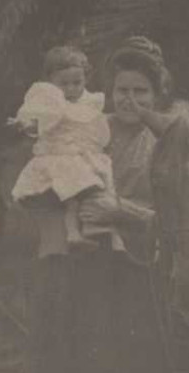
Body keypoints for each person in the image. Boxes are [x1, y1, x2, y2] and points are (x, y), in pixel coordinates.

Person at [2, 36, 189, 373]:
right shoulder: (95, 129)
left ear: (157, 95)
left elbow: (184, 222)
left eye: (140, 92)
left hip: (143, 279)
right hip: (92, 278)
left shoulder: (169, 143)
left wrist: (120, 213)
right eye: (121, 90)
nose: (128, 101)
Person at [10, 45, 115, 249]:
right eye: (63, 84)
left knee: (96, 186)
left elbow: (95, 127)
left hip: (82, 155)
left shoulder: (88, 102)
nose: (71, 89)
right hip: (59, 157)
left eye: (77, 83)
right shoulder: (50, 102)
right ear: (51, 82)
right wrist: (26, 124)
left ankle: (89, 227)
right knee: (73, 195)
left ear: (85, 79)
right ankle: (73, 232)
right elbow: (38, 121)